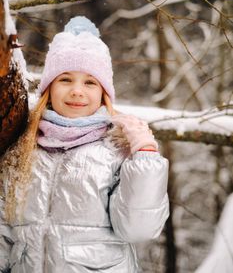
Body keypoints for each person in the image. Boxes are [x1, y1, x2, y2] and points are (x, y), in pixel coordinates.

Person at [0, 16, 169, 273]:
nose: (77, 90)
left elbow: (138, 229)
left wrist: (145, 156)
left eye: (90, 82)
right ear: (49, 89)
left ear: (103, 93)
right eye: (65, 79)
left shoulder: (117, 150)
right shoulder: (22, 150)